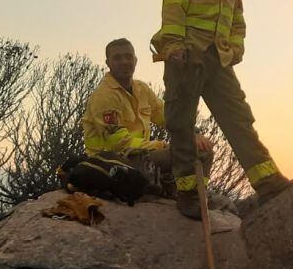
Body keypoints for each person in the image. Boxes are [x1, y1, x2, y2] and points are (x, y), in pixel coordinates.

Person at [150, 0, 290, 218]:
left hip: (218, 59)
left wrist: (235, 48)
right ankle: (187, 193)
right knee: (182, 125)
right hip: (185, 56)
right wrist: (173, 46)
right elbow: (173, 4)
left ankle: (268, 182)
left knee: (239, 119)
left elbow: (237, 16)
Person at [81, 38, 212, 188]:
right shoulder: (104, 96)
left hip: (140, 157)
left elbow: (168, 116)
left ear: (135, 60)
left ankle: (196, 193)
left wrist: (192, 133)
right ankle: (189, 198)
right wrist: (162, 146)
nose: (124, 61)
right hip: (113, 163)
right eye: (117, 58)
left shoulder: (141, 89)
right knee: (190, 153)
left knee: (202, 149)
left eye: (128, 56)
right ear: (108, 63)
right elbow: (119, 143)